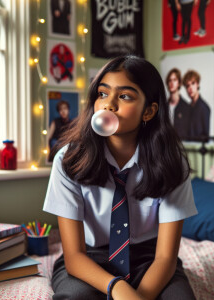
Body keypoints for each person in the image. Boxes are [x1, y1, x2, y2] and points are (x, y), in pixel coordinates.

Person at [43, 55, 197, 300]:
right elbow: (74, 256)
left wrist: (139, 297)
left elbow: (165, 257)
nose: (109, 104)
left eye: (125, 96)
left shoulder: (171, 163)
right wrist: (117, 287)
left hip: (150, 259)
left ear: (148, 111)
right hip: (88, 259)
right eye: (102, 94)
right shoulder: (68, 160)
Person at [183, 70, 210, 140]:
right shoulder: (187, 108)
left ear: (197, 84)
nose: (190, 88)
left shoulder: (204, 108)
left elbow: (206, 136)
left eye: (193, 83)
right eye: (187, 86)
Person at [166, 68, 190, 139]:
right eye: (170, 80)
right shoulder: (163, 107)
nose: (172, 83)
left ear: (179, 83)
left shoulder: (186, 107)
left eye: (174, 80)